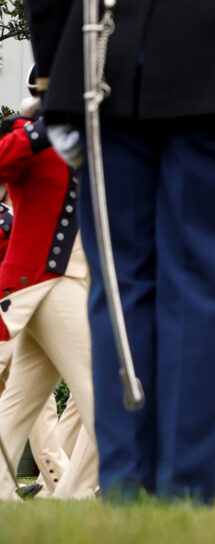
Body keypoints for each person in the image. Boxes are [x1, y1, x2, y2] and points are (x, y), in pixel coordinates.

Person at [19, 0, 215, 504]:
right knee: (203, 285)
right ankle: (185, 494)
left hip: (105, 33)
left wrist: (59, 76)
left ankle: (126, 489)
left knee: (120, 286)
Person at [0, 109, 96, 502]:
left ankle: (71, 491)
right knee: (103, 388)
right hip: (46, 279)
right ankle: (83, 490)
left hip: (68, 282)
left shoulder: (84, 136)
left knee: (20, 404)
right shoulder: (28, 133)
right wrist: (39, 121)